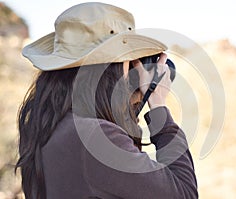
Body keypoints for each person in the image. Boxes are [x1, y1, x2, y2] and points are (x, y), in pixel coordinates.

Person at [15, 2, 198, 199]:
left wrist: (131, 107)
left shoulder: (50, 129)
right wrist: (158, 104)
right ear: (111, 70)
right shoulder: (94, 137)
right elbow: (184, 193)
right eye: (131, 62)